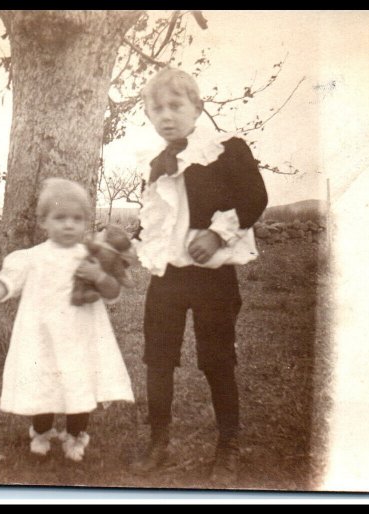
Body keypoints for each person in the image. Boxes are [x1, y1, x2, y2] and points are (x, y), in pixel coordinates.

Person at [130, 68, 268, 485]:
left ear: (198, 108)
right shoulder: (156, 163)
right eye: (157, 109)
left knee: (216, 360)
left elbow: (254, 197)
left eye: (176, 106)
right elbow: (154, 220)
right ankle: (159, 441)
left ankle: (228, 446)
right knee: (158, 359)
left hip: (212, 276)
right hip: (168, 277)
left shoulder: (225, 150)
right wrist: (129, 242)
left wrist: (215, 234)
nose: (166, 116)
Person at [0, 178, 134, 462]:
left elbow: (113, 291)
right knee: (43, 383)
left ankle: (76, 435)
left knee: (79, 383)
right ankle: (41, 431)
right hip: (41, 335)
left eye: (77, 219)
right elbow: (6, 284)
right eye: (60, 218)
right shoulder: (30, 258)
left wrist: (99, 276)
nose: (69, 225)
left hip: (81, 335)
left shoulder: (91, 256)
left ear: (86, 222)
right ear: (44, 222)